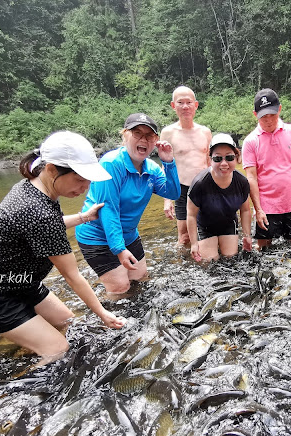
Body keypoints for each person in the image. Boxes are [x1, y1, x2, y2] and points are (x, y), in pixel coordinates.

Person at [0, 131, 124, 362]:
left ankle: (26, 346)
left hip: (19, 281)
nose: (86, 186)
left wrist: (84, 217)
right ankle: (18, 390)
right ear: (52, 169)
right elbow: (72, 276)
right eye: (79, 178)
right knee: (58, 349)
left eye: (88, 179)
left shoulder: (35, 189)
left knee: (68, 322)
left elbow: (44, 228)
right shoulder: (38, 211)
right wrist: (103, 314)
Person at [76, 113, 180, 299]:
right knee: (120, 289)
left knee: (140, 279)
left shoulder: (152, 168)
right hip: (97, 236)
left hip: (128, 234)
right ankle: (109, 323)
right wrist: (119, 249)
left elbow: (173, 193)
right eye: (137, 133)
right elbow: (108, 208)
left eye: (149, 136)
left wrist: (168, 162)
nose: (143, 139)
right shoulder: (111, 164)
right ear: (125, 135)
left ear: (155, 140)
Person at [242, 88, 291, 249]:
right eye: (263, 117)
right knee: (264, 251)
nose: (268, 120)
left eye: (272, 115)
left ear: (279, 109)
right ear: (255, 114)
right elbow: (251, 177)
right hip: (266, 206)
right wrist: (258, 209)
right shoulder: (251, 141)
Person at [187, 133, 252, 262]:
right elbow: (191, 215)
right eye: (217, 159)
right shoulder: (200, 183)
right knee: (210, 261)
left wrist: (247, 235)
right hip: (205, 226)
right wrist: (194, 243)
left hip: (228, 223)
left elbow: (245, 210)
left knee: (231, 259)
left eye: (229, 157)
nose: (224, 163)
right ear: (210, 159)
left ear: (236, 157)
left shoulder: (242, 182)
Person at [160, 86, 212, 246]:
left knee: (209, 230)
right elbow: (165, 166)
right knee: (184, 237)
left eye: (188, 102)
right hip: (181, 189)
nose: (185, 106)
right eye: (180, 102)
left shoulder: (205, 132)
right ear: (173, 105)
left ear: (195, 105)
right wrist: (167, 199)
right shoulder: (168, 133)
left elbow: (210, 162)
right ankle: (183, 266)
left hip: (205, 187)